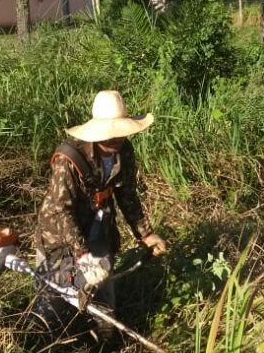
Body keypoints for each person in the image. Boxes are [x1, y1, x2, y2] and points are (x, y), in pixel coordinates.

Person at [33, 90, 167, 338]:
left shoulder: (124, 151)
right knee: (55, 300)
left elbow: (127, 194)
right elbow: (62, 210)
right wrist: (82, 254)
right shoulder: (69, 158)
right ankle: (46, 350)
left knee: (103, 298)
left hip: (99, 226)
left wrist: (145, 234)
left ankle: (105, 351)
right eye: (111, 134)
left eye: (120, 133)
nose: (117, 139)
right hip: (60, 237)